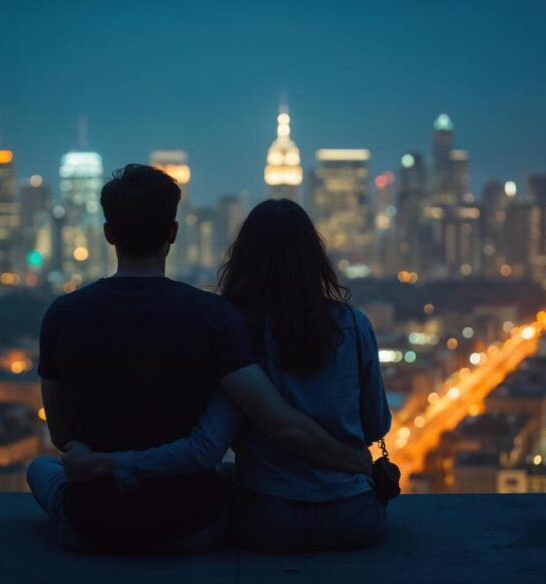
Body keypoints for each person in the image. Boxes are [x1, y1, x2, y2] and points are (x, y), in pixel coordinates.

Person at [28, 165, 370, 553]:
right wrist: (354, 460)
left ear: (108, 234)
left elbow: (62, 438)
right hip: (189, 528)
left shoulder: (62, 314)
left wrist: (103, 461)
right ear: (173, 232)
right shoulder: (212, 317)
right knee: (224, 475)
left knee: (39, 468)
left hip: (90, 525)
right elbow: (274, 422)